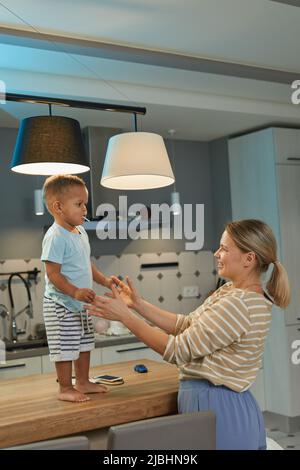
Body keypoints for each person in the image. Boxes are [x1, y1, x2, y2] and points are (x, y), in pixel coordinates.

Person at [85, 219, 290, 449]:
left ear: (248, 259)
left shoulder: (238, 303)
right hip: (221, 406)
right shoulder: (232, 292)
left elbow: (178, 349)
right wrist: (138, 305)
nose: (216, 253)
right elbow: (187, 324)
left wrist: (126, 318)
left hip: (220, 410)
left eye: (224, 248)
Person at [41, 174, 113, 403]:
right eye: (79, 204)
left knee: (84, 342)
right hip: (61, 304)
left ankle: (82, 381)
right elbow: (53, 274)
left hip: (80, 303)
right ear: (58, 207)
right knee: (65, 346)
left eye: (85, 203)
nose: (85, 209)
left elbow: (85, 263)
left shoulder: (79, 232)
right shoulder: (55, 236)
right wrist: (74, 292)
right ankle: (65, 387)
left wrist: (104, 281)